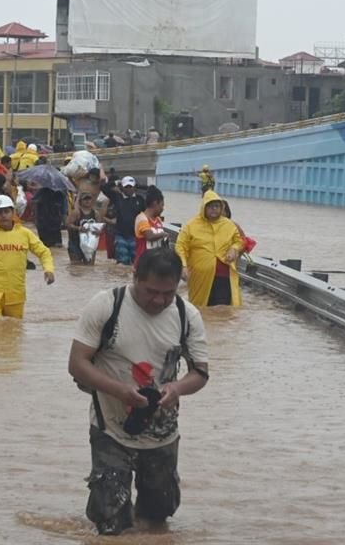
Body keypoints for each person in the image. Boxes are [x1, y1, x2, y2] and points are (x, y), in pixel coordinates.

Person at [68, 248, 209, 536]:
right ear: (135, 277)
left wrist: (176, 388)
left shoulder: (187, 315)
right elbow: (77, 363)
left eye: (168, 293)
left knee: (157, 519)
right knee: (110, 521)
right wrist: (120, 391)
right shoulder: (107, 306)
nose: (159, 300)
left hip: (162, 433)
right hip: (110, 429)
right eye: (151, 291)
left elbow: (201, 373)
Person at [175, 191, 244, 308]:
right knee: (199, 307)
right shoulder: (191, 225)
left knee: (221, 309)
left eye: (217, 206)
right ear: (204, 208)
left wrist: (234, 249)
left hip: (223, 276)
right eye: (211, 206)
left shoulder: (229, 225)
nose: (214, 209)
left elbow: (239, 241)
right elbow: (180, 246)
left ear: (221, 208)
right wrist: (183, 265)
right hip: (199, 276)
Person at [111, 176, 145, 265]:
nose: (129, 189)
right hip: (120, 235)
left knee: (136, 262)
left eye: (131, 187)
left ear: (134, 187)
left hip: (136, 236)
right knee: (122, 263)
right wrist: (116, 182)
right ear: (122, 187)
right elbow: (104, 187)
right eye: (126, 187)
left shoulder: (140, 199)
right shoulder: (117, 198)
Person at [67, 192, 109, 264]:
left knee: (90, 266)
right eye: (85, 199)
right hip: (75, 243)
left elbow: (102, 226)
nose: (87, 201)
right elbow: (68, 224)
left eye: (89, 199)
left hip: (90, 244)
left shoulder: (96, 213)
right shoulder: (76, 212)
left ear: (92, 201)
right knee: (76, 266)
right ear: (80, 201)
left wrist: (99, 231)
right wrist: (78, 228)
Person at [134, 186, 168, 266]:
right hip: (143, 263)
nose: (163, 209)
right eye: (162, 205)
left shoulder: (158, 220)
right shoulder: (141, 218)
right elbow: (149, 236)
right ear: (155, 203)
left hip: (155, 263)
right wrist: (163, 234)